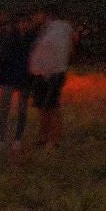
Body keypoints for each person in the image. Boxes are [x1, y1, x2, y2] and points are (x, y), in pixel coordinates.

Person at [28, 8, 73, 149]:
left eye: (35, 15)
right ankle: (43, 137)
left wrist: (52, 69)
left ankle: (56, 139)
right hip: (41, 73)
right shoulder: (44, 30)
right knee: (42, 106)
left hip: (53, 73)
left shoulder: (58, 29)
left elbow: (58, 51)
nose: (33, 18)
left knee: (52, 106)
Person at [0, 13, 37, 150]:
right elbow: (4, 56)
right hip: (9, 76)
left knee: (22, 109)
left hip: (23, 77)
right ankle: (2, 139)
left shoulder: (32, 38)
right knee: (4, 109)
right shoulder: (10, 37)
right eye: (21, 22)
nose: (23, 25)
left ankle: (17, 138)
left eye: (26, 22)